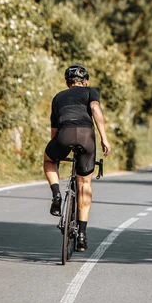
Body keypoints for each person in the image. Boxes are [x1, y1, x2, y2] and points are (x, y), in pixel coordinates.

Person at [43, 64, 111, 251]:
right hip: (86, 136)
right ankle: (81, 235)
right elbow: (95, 110)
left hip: (64, 134)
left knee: (49, 159)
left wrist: (58, 150)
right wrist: (104, 138)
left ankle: (56, 195)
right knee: (85, 185)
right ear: (85, 81)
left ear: (67, 82)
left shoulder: (58, 98)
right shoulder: (90, 92)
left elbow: (54, 131)